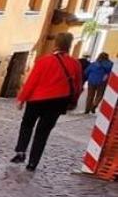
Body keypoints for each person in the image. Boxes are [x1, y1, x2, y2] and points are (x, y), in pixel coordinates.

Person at [13, 34, 83, 170]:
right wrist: (73, 101)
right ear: (69, 46)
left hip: (37, 99)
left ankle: (21, 151)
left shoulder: (44, 61)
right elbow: (77, 85)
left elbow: (32, 81)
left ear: (55, 44)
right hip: (58, 102)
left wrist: (22, 98)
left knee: (27, 124)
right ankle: (33, 162)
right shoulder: (75, 64)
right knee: (43, 132)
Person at [84, 50, 114, 115]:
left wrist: (88, 77)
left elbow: (86, 72)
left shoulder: (93, 64)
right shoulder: (110, 65)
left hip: (91, 81)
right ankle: (94, 105)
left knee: (90, 96)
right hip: (102, 82)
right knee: (99, 95)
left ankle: (87, 110)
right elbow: (112, 72)